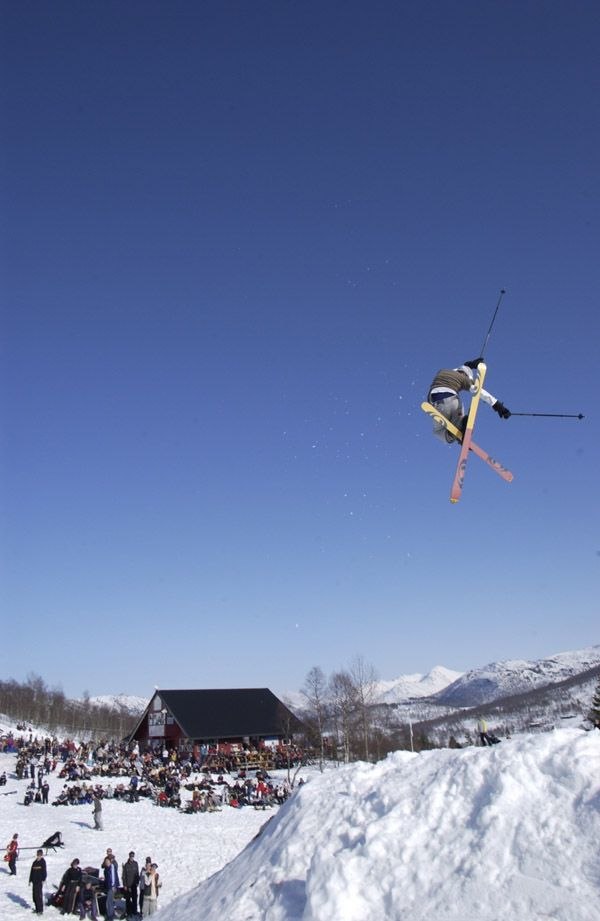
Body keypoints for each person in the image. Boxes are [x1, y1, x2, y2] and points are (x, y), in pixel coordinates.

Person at [428, 358, 511, 444]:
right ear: (465, 375)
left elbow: (460, 369)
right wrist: (497, 405)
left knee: (438, 431)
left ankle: (459, 432)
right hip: (453, 401)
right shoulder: (464, 379)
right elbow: (478, 391)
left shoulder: (443, 371)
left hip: (437, 403)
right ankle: (461, 427)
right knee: (457, 424)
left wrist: (470, 365)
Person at [122, 851, 140, 918]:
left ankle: (134, 912)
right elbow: (124, 876)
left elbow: (137, 874)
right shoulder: (126, 865)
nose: (131, 857)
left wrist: (137, 882)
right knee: (128, 900)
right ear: (129, 856)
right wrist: (125, 885)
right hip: (128, 885)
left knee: (135, 899)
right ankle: (129, 912)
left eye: (132, 856)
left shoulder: (136, 864)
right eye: (130, 856)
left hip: (134, 885)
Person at [103, 855, 120, 921]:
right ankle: (111, 914)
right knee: (110, 901)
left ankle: (110, 916)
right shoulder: (106, 869)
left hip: (111, 887)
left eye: (107, 861)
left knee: (109, 901)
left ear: (110, 861)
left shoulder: (112, 868)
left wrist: (114, 886)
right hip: (109, 886)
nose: (106, 862)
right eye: (105, 861)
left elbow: (113, 877)